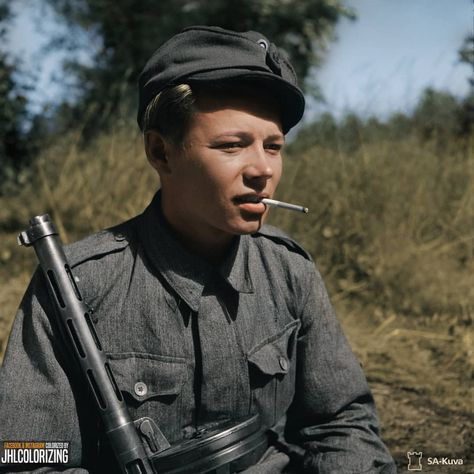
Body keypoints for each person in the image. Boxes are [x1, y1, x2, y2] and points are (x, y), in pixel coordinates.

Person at [0, 26, 396, 473]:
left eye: (274, 147)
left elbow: (342, 423)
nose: (262, 170)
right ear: (161, 152)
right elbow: (26, 456)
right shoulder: (77, 285)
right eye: (232, 145)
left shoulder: (289, 272)